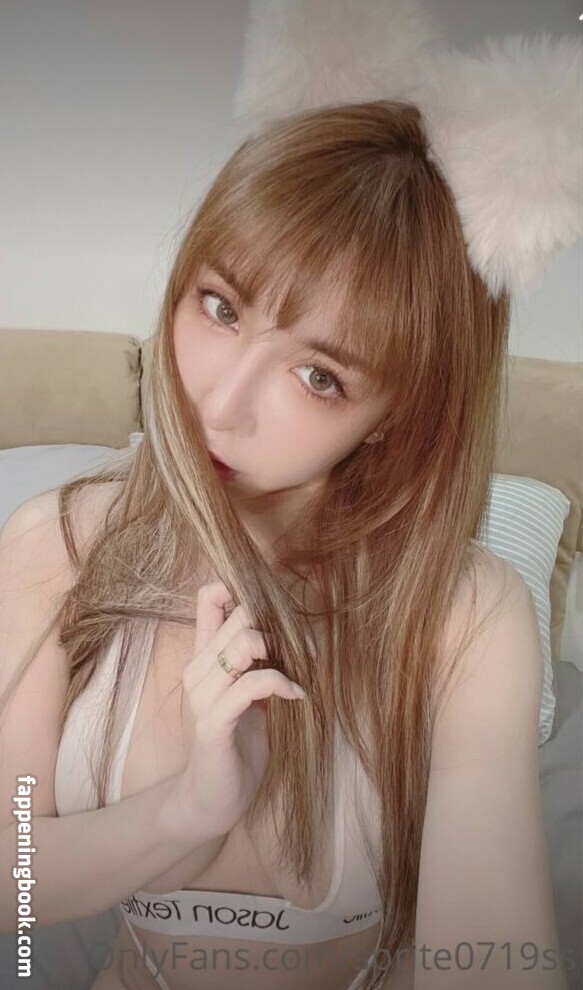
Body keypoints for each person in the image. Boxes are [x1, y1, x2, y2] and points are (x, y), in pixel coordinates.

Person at [0, 99, 569, 990]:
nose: (219, 405)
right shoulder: (58, 544)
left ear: (398, 416)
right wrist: (181, 814)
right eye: (220, 306)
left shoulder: (463, 613)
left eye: (319, 375)